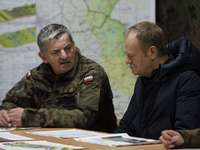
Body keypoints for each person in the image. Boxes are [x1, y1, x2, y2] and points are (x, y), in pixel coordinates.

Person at [0, 24, 117, 133]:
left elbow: (83, 118)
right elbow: (11, 102)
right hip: (52, 140)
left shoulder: (91, 73)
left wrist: (30, 117)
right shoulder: (38, 75)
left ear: (74, 46)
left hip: (96, 143)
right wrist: (4, 114)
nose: (64, 56)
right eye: (56, 52)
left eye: (67, 48)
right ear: (44, 57)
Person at [114, 21, 200, 139]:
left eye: (132, 55)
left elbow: (184, 136)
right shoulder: (143, 79)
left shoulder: (188, 81)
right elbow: (127, 127)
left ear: (152, 52)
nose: (127, 61)